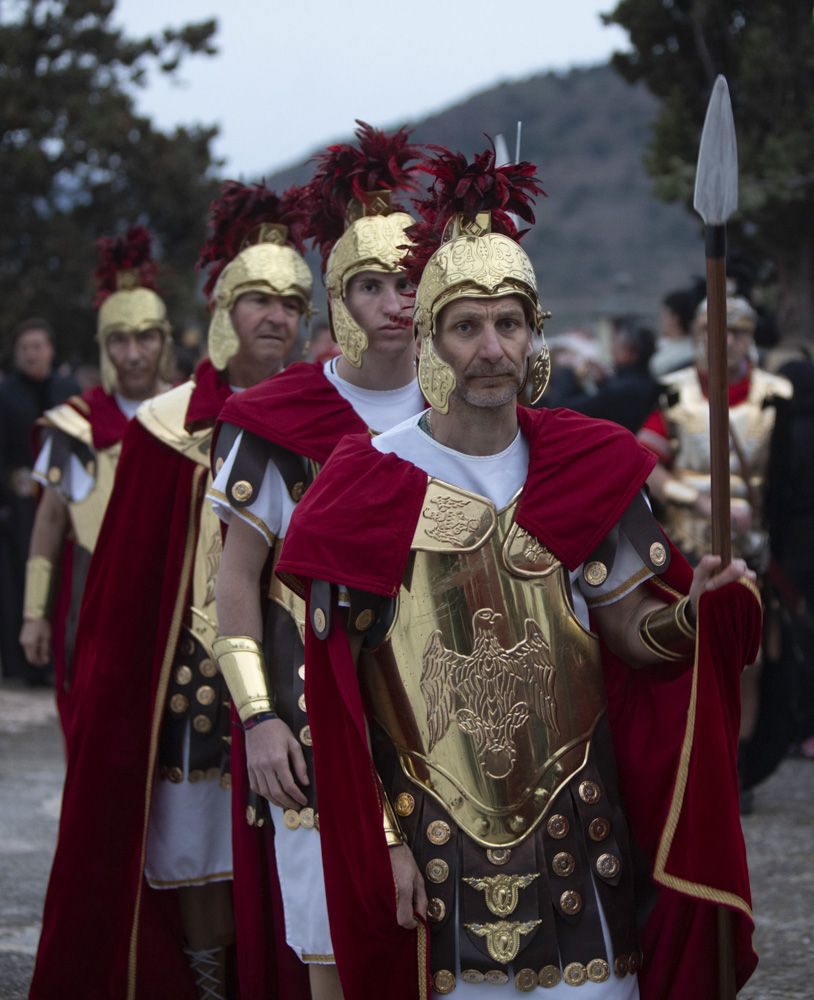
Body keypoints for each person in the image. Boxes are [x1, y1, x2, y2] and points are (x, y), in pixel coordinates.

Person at [276, 147, 762, 999]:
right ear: (432, 339)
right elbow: (339, 697)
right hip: (430, 845)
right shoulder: (366, 482)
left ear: (535, 334)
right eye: (468, 326)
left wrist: (694, 616)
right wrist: (381, 843)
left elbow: (627, 633)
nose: (491, 348)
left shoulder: (583, 467)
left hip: (579, 838)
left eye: (510, 323)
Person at [30, 182, 313, 1000]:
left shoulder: (324, 420)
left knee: (285, 871)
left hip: (290, 698)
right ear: (226, 308)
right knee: (192, 867)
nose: (277, 316)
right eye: (259, 298)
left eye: (293, 302)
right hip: (185, 698)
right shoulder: (163, 427)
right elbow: (123, 585)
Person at [209, 122, 426, 1000]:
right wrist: (258, 717)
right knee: (332, 944)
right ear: (338, 297)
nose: (392, 302)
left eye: (407, 281)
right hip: (312, 716)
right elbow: (234, 582)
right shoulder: (275, 421)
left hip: (441, 715)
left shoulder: (465, 411)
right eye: (369, 284)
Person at [638, 296, 792, 810]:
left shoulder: (777, 396)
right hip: (686, 546)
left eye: (734, 332)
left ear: (748, 339)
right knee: (687, 655)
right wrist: (695, 498)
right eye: (710, 331)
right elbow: (646, 463)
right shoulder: (673, 395)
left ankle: (740, 768)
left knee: (748, 661)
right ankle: (696, 763)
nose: (721, 341)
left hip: (751, 550)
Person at [19, 227, 172, 731]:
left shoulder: (191, 415)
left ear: (163, 340)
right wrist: (35, 613)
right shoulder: (75, 425)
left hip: (172, 607)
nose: (132, 354)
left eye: (145, 337)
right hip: (93, 610)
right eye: (119, 340)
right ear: (104, 346)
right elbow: (48, 521)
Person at [0, 318, 78, 683]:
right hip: (20, 505)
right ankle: (21, 663)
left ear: (50, 349)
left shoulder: (67, 390)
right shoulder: (6, 394)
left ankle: (57, 661)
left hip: (67, 500)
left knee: (63, 574)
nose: (33, 354)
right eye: (25, 348)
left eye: (38, 346)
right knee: (18, 578)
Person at [538, 320, 659, 433]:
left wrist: (565, 369)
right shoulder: (643, 381)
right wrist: (603, 381)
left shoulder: (622, 391)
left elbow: (561, 410)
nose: (612, 350)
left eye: (617, 345)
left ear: (631, 353)